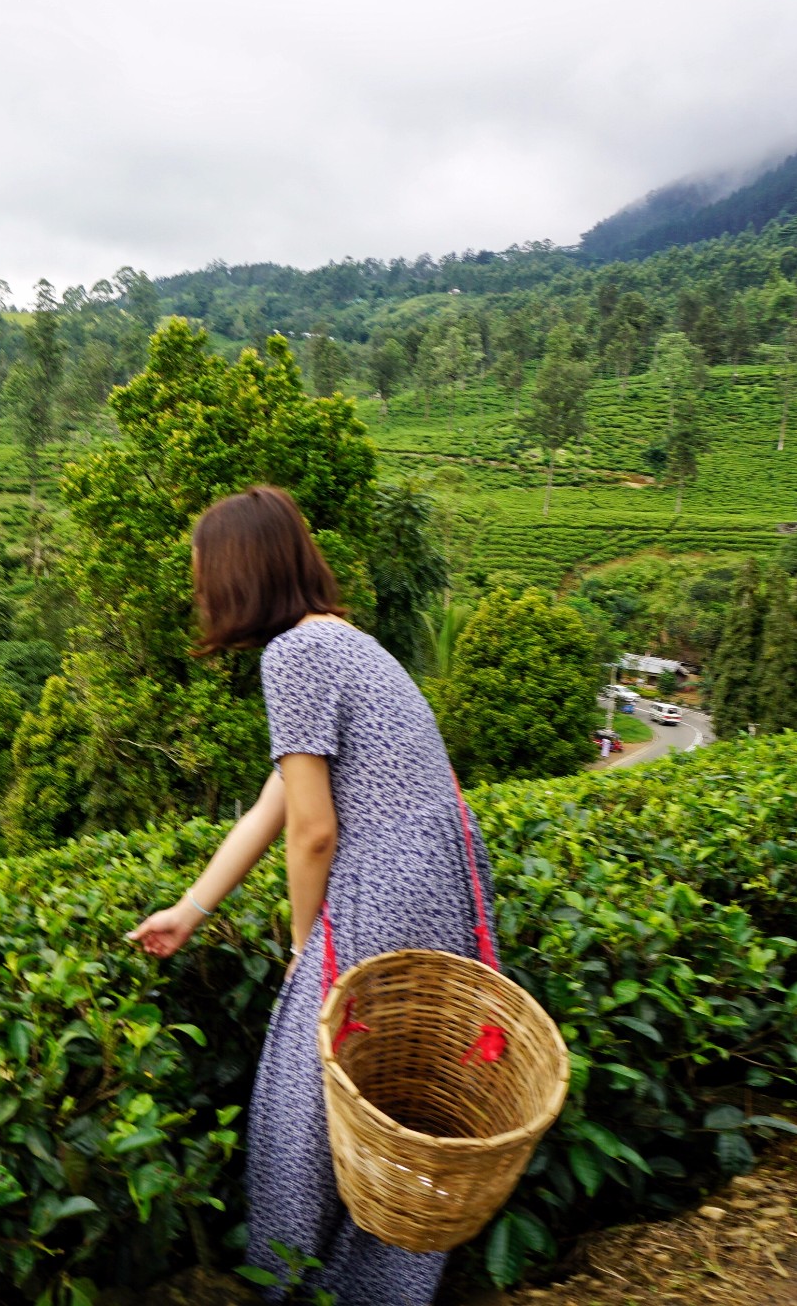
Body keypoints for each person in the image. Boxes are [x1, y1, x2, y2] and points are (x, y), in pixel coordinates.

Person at [126, 485, 496, 1306]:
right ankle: (380, 1292)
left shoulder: (291, 656)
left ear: (240, 574)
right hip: (444, 875)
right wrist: (193, 907)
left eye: (204, 578)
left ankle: (284, 1285)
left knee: (300, 1094)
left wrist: (304, 952)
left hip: (387, 881)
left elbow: (314, 832)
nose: (200, 596)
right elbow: (277, 803)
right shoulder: (343, 642)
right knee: (404, 1104)